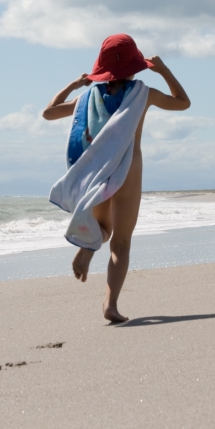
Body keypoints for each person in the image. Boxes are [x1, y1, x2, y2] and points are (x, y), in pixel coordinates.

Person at [43, 34, 190, 323]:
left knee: (103, 228)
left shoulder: (86, 98)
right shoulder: (143, 93)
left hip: (100, 170)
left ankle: (88, 248)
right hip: (130, 169)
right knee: (121, 242)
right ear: (135, 66)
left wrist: (74, 85)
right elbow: (182, 102)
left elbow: (48, 113)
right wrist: (163, 70)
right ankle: (110, 305)